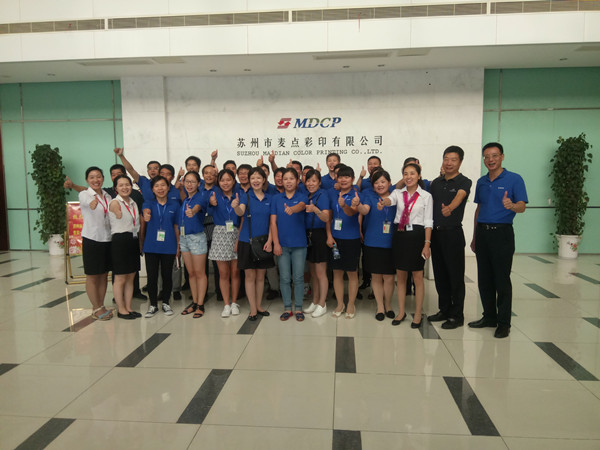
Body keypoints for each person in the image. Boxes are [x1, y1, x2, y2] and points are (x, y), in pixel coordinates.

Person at [469, 142, 527, 338]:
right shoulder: (481, 182)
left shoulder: (514, 179)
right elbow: (478, 209)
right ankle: (489, 317)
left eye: (494, 155)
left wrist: (512, 206)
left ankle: (503, 323)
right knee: (484, 279)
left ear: (502, 156)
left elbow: (522, 206)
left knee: (501, 279)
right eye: (486, 156)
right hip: (482, 233)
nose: (490, 160)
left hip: (502, 234)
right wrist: (475, 236)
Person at [380, 162, 433, 328]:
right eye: (405, 174)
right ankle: (401, 312)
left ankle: (417, 314)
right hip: (400, 235)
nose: (408, 177)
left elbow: (428, 221)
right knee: (401, 276)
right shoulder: (398, 193)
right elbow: (390, 200)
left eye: (412, 173)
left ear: (419, 175)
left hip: (417, 236)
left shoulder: (426, 196)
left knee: (417, 277)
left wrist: (427, 244)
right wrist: (384, 202)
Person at [428, 146, 472, 329]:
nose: (449, 163)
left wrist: (450, 208)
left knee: (455, 276)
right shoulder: (436, 183)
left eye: (453, 159)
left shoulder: (464, 181)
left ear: (460, 162)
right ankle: (444, 310)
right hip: (436, 234)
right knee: (440, 275)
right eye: (446, 159)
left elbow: (460, 196)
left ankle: (457, 315)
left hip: (453, 233)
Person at [233, 167, 274, 321]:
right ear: (249, 181)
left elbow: (272, 222)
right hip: (247, 242)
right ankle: (252, 308)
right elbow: (240, 212)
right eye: (253, 178)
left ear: (264, 180)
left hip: (264, 242)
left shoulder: (270, 198)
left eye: (258, 178)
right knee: (250, 276)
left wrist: (270, 240)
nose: (255, 181)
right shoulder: (246, 196)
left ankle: (258, 305)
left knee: (261, 276)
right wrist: (235, 206)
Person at [357, 170, 397, 321]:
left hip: (391, 242)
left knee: (389, 277)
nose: (379, 185)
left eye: (382, 181)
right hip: (372, 241)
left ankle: (388, 305)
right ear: (373, 185)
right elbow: (364, 210)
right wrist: (358, 205)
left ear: (389, 183)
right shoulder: (369, 197)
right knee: (376, 276)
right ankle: (380, 306)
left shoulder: (395, 197)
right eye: (376, 182)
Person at [271, 168, 308, 321]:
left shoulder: (302, 196)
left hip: (299, 244)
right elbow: (273, 223)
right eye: (285, 178)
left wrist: (292, 209)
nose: (288, 181)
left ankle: (298, 308)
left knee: (298, 277)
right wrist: (276, 243)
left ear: (297, 180)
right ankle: (287, 308)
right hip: (282, 245)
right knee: (285, 278)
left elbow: (301, 206)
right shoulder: (276, 199)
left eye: (291, 178)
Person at [326, 165, 363, 319]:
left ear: (352, 179)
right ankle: (340, 303)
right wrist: (329, 235)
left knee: (352, 273)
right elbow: (328, 217)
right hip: (336, 239)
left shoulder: (356, 195)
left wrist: (344, 205)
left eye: (347, 177)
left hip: (352, 239)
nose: (343, 179)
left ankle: (351, 304)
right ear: (337, 178)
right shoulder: (332, 194)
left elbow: (352, 212)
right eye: (341, 176)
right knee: (337, 272)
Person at [141, 176, 180, 318]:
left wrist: (178, 245)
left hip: (169, 245)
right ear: (152, 189)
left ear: (168, 187)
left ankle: (166, 302)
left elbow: (176, 226)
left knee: (167, 275)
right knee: (152, 276)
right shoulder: (148, 203)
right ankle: (153, 305)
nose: (160, 188)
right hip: (151, 246)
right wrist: (146, 215)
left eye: (163, 185)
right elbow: (146, 212)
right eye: (156, 186)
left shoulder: (175, 205)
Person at [79, 167, 113, 320]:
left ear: (103, 178)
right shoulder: (85, 194)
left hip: (107, 239)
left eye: (98, 176)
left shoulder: (107, 196)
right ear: (87, 180)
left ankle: (101, 305)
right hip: (92, 239)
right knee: (93, 275)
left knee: (104, 275)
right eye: (92, 177)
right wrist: (92, 203)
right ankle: (96, 307)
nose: (95, 180)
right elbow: (89, 203)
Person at [208, 169, 242, 317]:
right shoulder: (214, 195)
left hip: (236, 233)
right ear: (218, 182)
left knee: (235, 272)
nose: (225, 183)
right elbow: (209, 210)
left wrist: (239, 239)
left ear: (233, 181)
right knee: (223, 273)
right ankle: (226, 305)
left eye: (228, 179)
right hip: (220, 234)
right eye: (222, 180)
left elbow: (242, 218)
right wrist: (211, 203)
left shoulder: (239, 195)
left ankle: (234, 303)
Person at [108, 175, 142, 319]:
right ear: (116, 188)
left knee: (130, 277)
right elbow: (114, 208)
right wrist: (117, 212)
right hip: (120, 241)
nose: (125, 187)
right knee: (120, 278)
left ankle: (128, 307)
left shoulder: (133, 203)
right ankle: (121, 309)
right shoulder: (115, 202)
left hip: (133, 240)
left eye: (127, 184)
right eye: (121, 185)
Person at [178, 171, 209, 319]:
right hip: (184, 238)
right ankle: (195, 302)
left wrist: (193, 211)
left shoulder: (200, 196)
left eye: (192, 182)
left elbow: (198, 207)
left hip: (196, 238)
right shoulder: (186, 199)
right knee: (191, 273)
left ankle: (201, 304)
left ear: (198, 184)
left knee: (199, 272)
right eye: (187, 181)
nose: (189, 184)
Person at [303, 169, 331, 318]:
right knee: (313, 273)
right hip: (308, 235)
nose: (310, 183)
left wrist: (315, 209)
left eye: (314, 180)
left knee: (320, 273)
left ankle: (322, 304)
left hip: (319, 235)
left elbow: (326, 218)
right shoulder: (307, 195)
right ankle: (315, 301)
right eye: (308, 180)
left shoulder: (323, 195)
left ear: (319, 182)